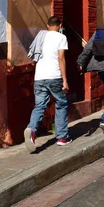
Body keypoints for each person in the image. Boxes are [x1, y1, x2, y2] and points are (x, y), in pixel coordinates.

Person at [24, 15, 72, 152]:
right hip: (55, 76)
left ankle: (31, 129)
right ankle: (62, 137)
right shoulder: (61, 38)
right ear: (60, 25)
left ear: (47, 25)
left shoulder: (41, 36)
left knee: (39, 106)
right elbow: (61, 58)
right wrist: (65, 79)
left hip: (39, 76)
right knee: (61, 104)